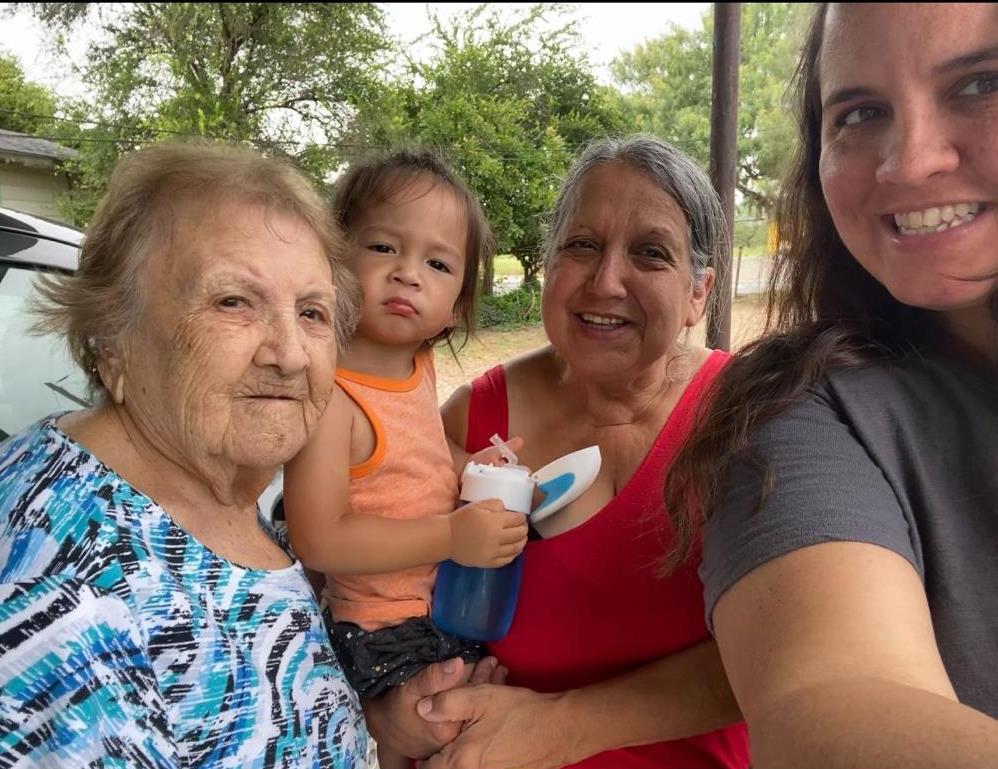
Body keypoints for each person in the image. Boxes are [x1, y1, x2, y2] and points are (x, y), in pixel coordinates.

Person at [663, 3, 998, 767]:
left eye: (982, 83)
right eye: (861, 112)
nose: (908, 163)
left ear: (698, 293)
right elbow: (826, 707)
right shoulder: (800, 413)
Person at [367, 135, 751, 769]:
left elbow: (800, 650)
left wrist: (560, 726)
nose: (606, 281)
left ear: (698, 293)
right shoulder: (472, 420)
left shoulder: (748, 418)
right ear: (549, 264)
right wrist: (389, 713)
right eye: (582, 245)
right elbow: (364, 592)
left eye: (651, 253)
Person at [0, 142, 368, 768]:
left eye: (313, 313)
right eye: (234, 302)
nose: (290, 354)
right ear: (112, 336)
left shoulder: (205, 486)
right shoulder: (65, 591)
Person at [282, 151, 528, 767]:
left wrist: (475, 467)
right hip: (380, 629)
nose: (408, 274)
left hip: (442, 607)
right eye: (383, 247)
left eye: (437, 263)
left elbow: (418, 452)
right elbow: (319, 539)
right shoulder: (331, 397)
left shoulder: (417, 365)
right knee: (437, 733)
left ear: (456, 307)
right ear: (333, 263)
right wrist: (451, 534)